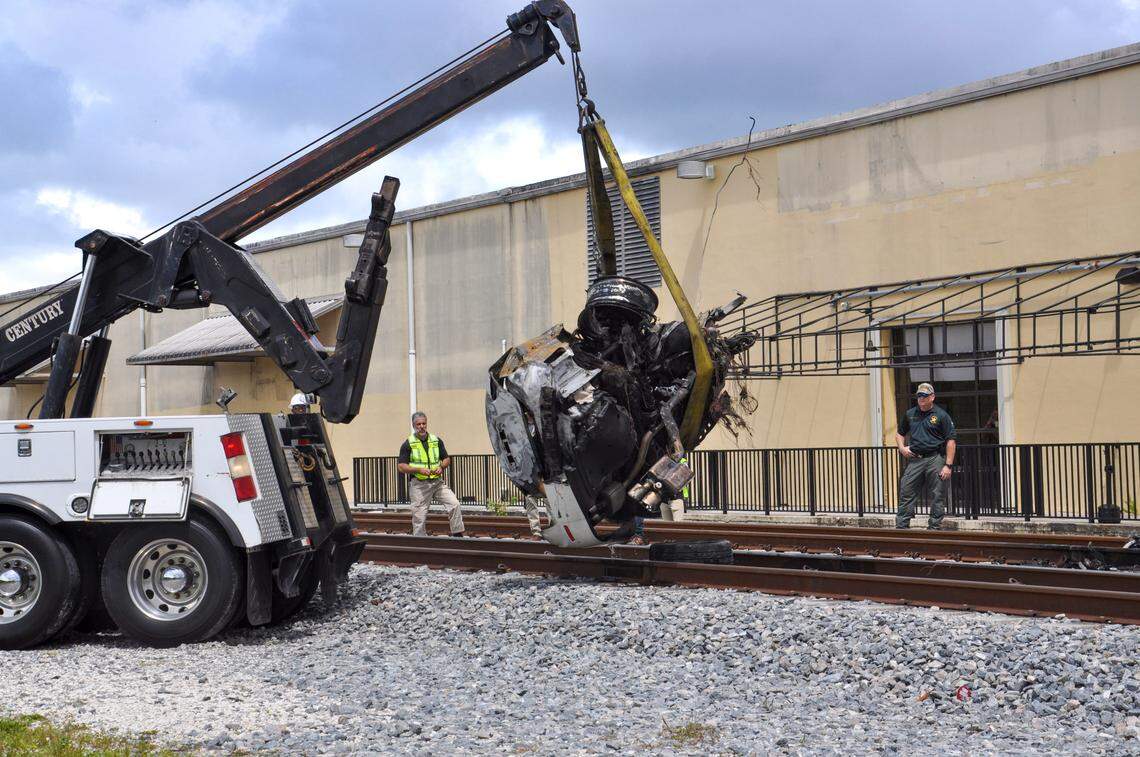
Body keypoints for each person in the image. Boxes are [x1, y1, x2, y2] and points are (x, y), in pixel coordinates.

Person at [895, 382, 956, 530]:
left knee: (937, 494)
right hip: (915, 459)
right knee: (906, 490)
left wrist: (948, 465)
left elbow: (951, 440)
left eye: (924, 396)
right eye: (919, 396)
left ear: (932, 397)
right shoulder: (910, 414)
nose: (921, 399)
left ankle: (934, 527)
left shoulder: (941, 415)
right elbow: (899, 433)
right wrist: (902, 448)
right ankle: (902, 527)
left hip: (935, 458)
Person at [397, 412, 465, 537]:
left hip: (437, 482)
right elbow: (401, 467)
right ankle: (421, 545)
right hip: (419, 485)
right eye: (418, 424)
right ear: (413, 425)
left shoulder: (436, 440)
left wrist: (441, 467)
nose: (422, 426)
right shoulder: (408, 444)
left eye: (424, 423)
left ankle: (457, 535)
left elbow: (446, 459)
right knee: (419, 517)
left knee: (454, 504)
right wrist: (418, 470)